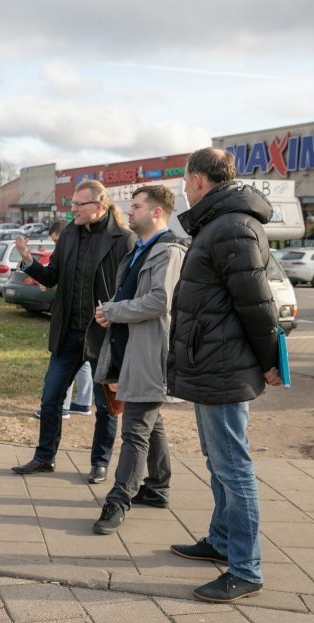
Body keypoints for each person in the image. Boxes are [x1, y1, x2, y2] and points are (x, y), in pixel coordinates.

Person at [166, 148, 281, 603]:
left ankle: (246, 568)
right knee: (218, 461)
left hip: (223, 365)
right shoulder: (219, 222)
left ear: (196, 179)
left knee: (233, 467)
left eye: (184, 181)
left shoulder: (232, 225)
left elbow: (257, 303)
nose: (183, 189)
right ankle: (220, 540)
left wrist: (270, 359)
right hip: (209, 360)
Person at [10, 180, 135, 482]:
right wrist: (28, 260)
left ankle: (100, 462)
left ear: (99, 206)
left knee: (106, 406)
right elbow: (51, 278)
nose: (73, 210)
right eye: (72, 204)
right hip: (68, 333)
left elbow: (130, 291)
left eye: (80, 204)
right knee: (50, 398)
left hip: (103, 336)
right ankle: (44, 457)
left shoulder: (123, 240)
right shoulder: (68, 235)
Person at [90, 185, 187, 535]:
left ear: (157, 212)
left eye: (136, 206)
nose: (129, 212)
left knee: (134, 430)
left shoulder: (168, 251)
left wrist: (113, 310)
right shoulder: (139, 250)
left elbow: (159, 301)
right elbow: (130, 294)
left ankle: (119, 499)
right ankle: (158, 487)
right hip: (132, 350)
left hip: (149, 354)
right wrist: (110, 313)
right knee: (150, 420)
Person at [31, 220, 92, 421]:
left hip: (73, 320)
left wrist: (52, 285)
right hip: (80, 319)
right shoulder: (72, 248)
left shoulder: (72, 248)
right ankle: (83, 403)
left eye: (56, 239)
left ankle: (63, 406)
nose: (56, 244)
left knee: (65, 362)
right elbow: (58, 278)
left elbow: (70, 284)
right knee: (82, 363)